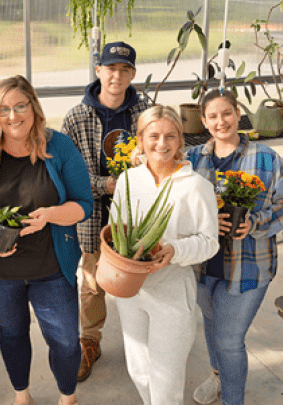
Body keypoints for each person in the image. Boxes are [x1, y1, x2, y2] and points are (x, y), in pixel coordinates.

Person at [0, 75, 93, 405]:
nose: (13, 116)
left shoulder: (59, 147)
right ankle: (21, 395)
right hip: (0, 273)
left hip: (52, 268)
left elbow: (84, 203)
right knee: (12, 334)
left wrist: (50, 215)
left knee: (67, 342)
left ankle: (67, 397)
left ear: (34, 106)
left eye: (20, 106)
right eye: (4, 110)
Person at [186, 90, 283, 405]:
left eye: (227, 113)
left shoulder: (265, 157)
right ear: (205, 121)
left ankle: (232, 401)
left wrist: (257, 223)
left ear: (238, 114)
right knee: (211, 323)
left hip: (248, 266)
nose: (221, 121)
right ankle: (217, 376)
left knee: (229, 340)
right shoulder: (192, 159)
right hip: (203, 266)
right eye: (212, 116)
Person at [110, 105, 218, 405]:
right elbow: (114, 229)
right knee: (140, 371)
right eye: (154, 135)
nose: (162, 143)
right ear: (140, 139)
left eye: (170, 136)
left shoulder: (197, 187)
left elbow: (210, 242)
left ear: (180, 141)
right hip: (130, 291)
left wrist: (176, 250)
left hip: (172, 291)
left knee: (167, 380)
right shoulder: (128, 181)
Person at [60, 41, 152, 382]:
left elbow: (162, 150)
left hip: (137, 214)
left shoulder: (145, 113)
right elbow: (69, 172)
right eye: (110, 68)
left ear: (132, 74)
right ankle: (89, 340)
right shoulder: (76, 117)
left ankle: (144, 340)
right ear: (98, 71)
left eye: (124, 69)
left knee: (139, 277)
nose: (117, 75)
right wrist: (105, 185)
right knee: (91, 281)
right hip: (92, 214)